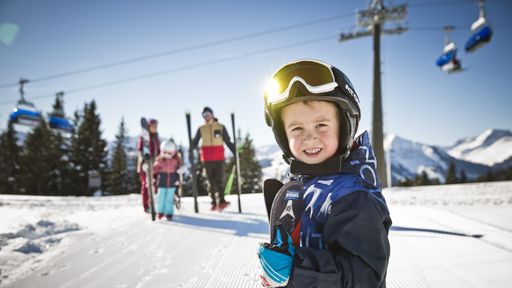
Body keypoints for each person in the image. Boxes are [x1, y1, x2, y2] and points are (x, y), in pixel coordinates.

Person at [257, 59, 391, 287]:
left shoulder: (353, 196)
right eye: (297, 128)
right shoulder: (304, 185)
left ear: (345, 126)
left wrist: (295, 271)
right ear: (282, 135)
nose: (310, 137)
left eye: (321, 125)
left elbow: (364, 276)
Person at [192, 106, 235, 211]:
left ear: (212, 114)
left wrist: (234, 151)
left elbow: (228, 141)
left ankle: (221, 201)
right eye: (204, 115)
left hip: (219, 157)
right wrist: (191, 148)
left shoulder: (221, 127)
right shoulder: (201, 129)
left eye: (208, 114)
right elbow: (195, 142)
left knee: (219, 180)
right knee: (210, 182)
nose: (207, 116)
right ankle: (213, 202)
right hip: (207, 158)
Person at [153, 139, 182, 221]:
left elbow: (178, 168)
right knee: (161, 197)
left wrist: (179, 172)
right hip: (162, 180)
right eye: (165, 153)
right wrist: (149, 169)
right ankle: (160, 212)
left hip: (172, 180)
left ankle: (169, 213)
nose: (167, 155)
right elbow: (154, 169)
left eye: (169, 153)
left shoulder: (175, 160)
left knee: (169, 198)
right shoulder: (160, 160)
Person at [136, 118, 160, 213]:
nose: (155, 128)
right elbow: (140, 149)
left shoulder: (156, 138)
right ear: (149, 127)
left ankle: (153, 204)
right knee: (146, 185)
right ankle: (146, 206)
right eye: (153, 126)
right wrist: (143, 158)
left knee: (155, 185)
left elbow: (158, 151)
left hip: (155, 165)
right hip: (145, 164)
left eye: (156, 126)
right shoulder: (143, 137)